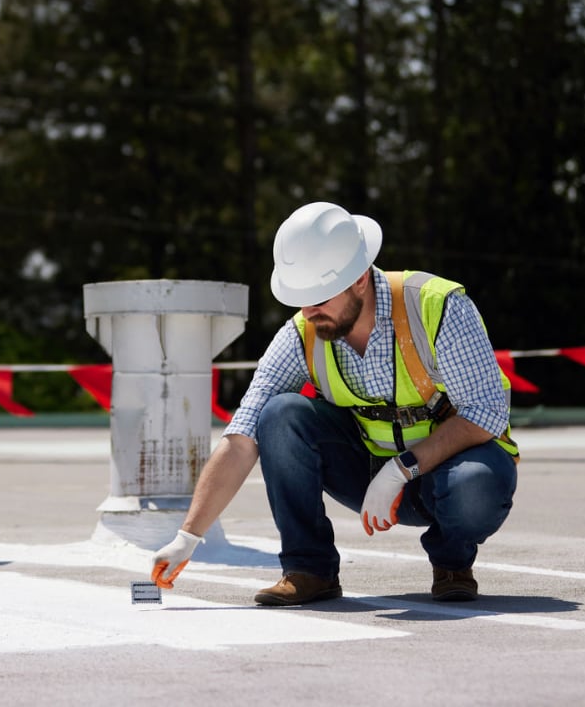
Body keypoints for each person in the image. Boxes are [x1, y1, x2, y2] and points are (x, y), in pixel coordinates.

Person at [151, 201, 519, 604]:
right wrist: (188, 536)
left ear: (360, 279)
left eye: (321, 297)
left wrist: (402, 469)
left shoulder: (436, 306)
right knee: (278, 415)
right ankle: (310, 571)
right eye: (301, 298)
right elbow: (242, 437)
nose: (310, 311)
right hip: (365, 470)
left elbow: (485, 412)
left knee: (476, 489)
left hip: (447, 474)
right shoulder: (303, 331)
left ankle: (452, 563)